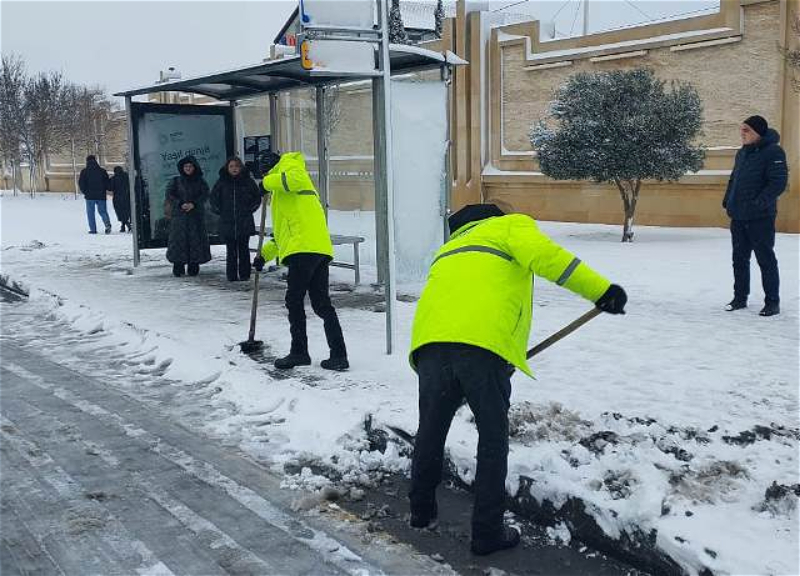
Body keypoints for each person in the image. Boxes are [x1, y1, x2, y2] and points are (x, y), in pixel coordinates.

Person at [408, 203, 627, 556]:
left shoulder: (448, 250)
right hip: (482, 348)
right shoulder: (509, 228)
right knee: (492, 440)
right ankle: (487, 532)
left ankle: (420, 511)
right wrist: (602, 291)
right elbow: (550, 258)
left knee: (431, 430)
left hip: (430, 348)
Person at [252, 151, 348, 371]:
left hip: (304, 248)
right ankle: (339, 355)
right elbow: (281, 235)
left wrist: (266, 183)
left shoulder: (291, 167)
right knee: (322, 304)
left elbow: (293, 180)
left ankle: (299, 352)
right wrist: (263, 257)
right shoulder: (282, 193)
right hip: (315, 248)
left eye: (264, 171)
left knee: (294, 301)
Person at [722, 115, 788, 317]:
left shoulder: (773, 152)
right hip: (739, 215)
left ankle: (772, 302)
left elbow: (778, 183)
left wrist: (758, 204)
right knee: (739, 259)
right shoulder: (742, 153)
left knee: (765, 259)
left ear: (758, 132)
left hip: (761, 217)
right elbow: (734, 179)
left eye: (746, 130)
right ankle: (740, 298)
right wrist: (728, 200)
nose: (742, 133)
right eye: (741, 129)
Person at [210, 157, 262, 282]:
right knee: (231, 250)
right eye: (231, 166)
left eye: (236, 166)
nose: (234, 169)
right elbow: (213, 198)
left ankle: (245, 274)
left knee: (244, 249)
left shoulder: (248, 182)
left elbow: (256, 198)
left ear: (241, 168)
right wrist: (219, 210)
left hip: (243, 221)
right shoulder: (222, 182)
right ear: (227, 168)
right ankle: (231, 275)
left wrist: (250, 209)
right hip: (227, 221)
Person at [165, 156, 212, 277]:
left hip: (195, 217)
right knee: (178, 242)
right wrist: (180, 204)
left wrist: (194, 204)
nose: (188, 168)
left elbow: (205, 194)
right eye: (186, 166)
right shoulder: (176, 181)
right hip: (179, 218)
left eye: (190, 166)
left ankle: (194, 265)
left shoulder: (200, 181)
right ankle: (178, 266)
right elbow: (169, 194)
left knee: (195, 241)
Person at [78, 155, 111, 234]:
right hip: (101, 195)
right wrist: (103, 190)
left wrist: (85, 192)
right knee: (103, 211)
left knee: (90, 213)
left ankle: (93, 230)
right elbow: (107, 183)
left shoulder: (84, 171)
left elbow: (81, 183)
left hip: (90, 196)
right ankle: (107, 225)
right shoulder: (102, 171)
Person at [108, 166, 131, 232]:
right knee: (126, 212)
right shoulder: (127, 177)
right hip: (127, 197)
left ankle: (126, 224)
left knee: (120, 212)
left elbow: (110, 187)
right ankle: (124, 226)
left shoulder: (114, 178)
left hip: (117, 198)